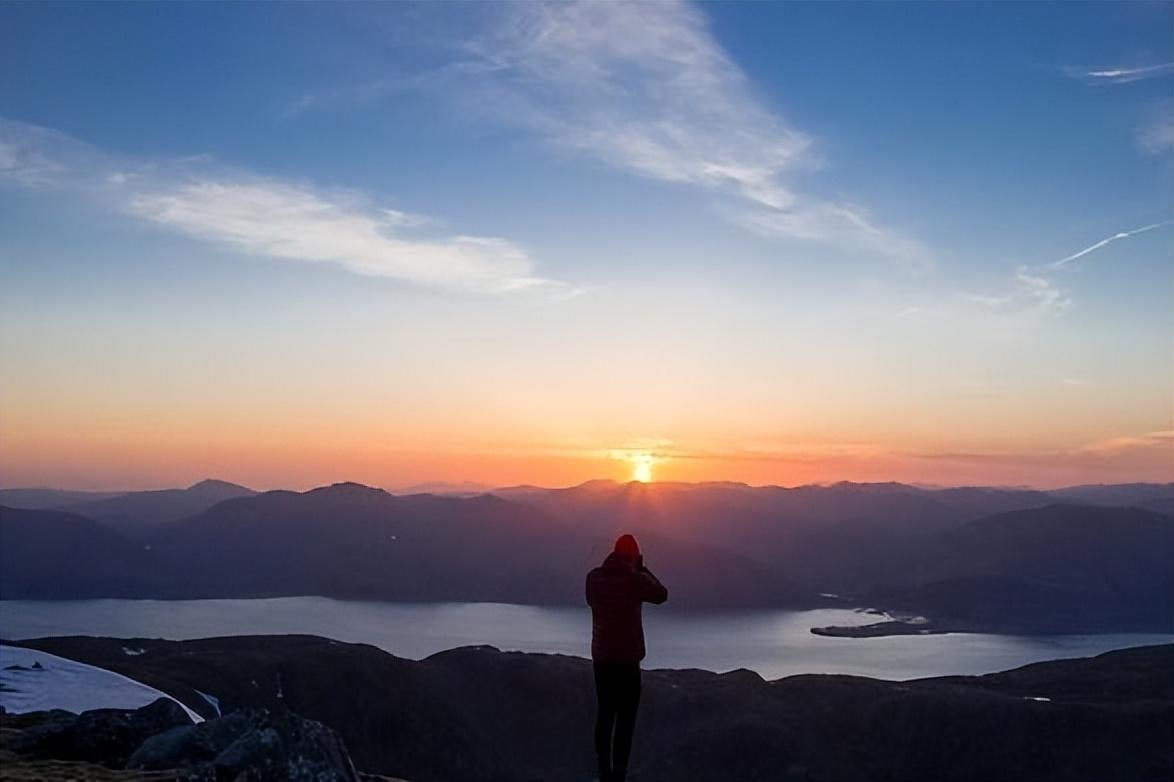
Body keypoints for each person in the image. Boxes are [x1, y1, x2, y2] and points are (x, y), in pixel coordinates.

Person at [585, 533, 668, 782]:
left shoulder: (593, 578)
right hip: (627, 660)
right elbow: (661, 594)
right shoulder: (635, 580)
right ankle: (619, 773)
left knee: (605, 714)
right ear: (633, 556)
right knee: (626, 719)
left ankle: (603, 770)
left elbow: (591, 601)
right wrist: (644, 569)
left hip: (602, 659)